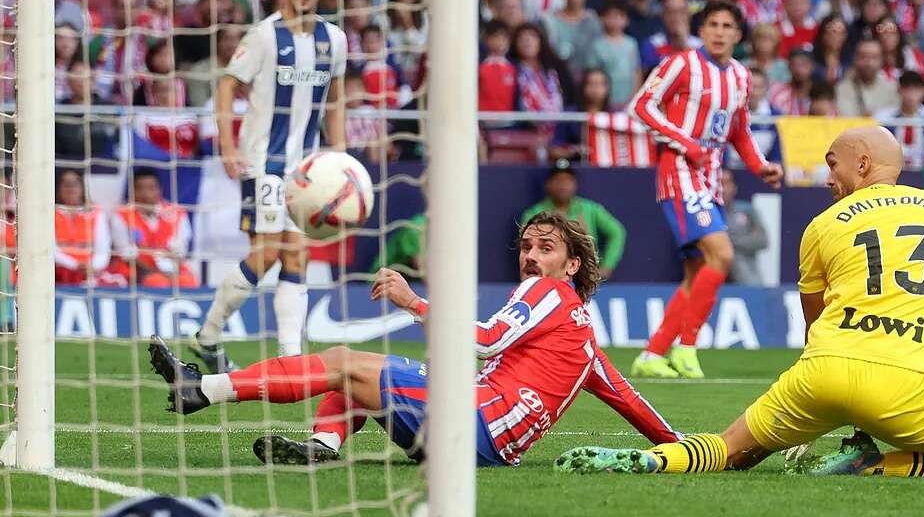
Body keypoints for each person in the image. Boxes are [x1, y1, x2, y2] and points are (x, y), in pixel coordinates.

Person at [557, 127, 924, 477]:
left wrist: (815, 414)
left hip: (821, 377)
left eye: (832, 164)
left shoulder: (821, 226)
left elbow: (818, 330)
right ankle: (873, 467)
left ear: (862, 162)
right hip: (907, 391)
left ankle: (655, 463)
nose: (827, 176)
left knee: (732, 450)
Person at [147, 212, 680, 467]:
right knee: (362, 368)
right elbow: (627, 397)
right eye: (526, 246)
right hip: (482, 442)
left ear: (572, 264)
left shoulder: (548, 291)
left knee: (343, 361)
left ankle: (205, 389)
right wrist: (683, 449)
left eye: (545, 247)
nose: (531, 256)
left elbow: (487, 340)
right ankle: (322, 445)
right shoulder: (583, 338)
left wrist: (414, 301)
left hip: (475, 422)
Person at [190, 0, 348, 372]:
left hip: (306, 170)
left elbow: (335, 97)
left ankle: (288, 357)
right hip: (264, 163)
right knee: (269, 251)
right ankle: (209, 335)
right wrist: (228, 146)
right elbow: (227, 86)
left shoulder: (334, 39)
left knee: (297, 257)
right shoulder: (264, 36)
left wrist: (340, 151)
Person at [628, 0, 784, 379]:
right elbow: (643, 106)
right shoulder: (681, 64)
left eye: (727, 25)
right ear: (702, 29)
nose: (718, 31)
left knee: (697, 272)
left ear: (738, 34)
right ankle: (688, 347)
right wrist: (686, 142)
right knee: (723, 254)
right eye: (712, 24)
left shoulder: (741, 77)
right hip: (679, 172)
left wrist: (761, 166)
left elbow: (739, 131)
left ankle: (651, 356)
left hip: (710, 180)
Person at [110, 169, 199, 289]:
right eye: (139, 189)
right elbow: (125, 253)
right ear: (132, 191)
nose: (146, 194)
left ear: (159, 190)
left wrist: (170, 269)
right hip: (136, 270)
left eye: (151, 188)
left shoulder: (177, 212)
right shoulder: (121, 214)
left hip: (172, 268)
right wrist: (155, 272)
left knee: (189, 281)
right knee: (156, 282)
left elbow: (181, 250)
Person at [875, 71, 924, 170]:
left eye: (916, 89)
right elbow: (877, 152)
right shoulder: (883, 117)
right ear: (899, 90)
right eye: (907, 89)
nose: (911, 95)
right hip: (890, 175)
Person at [721, 169, 768, 286]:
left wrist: (731, 241)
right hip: (716, 267)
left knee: (735, 257)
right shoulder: (705, 213)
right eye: (719, 183)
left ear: (734, 187)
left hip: (744, 269)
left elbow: (762, 240)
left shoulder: (746, 210)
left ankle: (751, 293)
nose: (722, 189)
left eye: (726, 183)